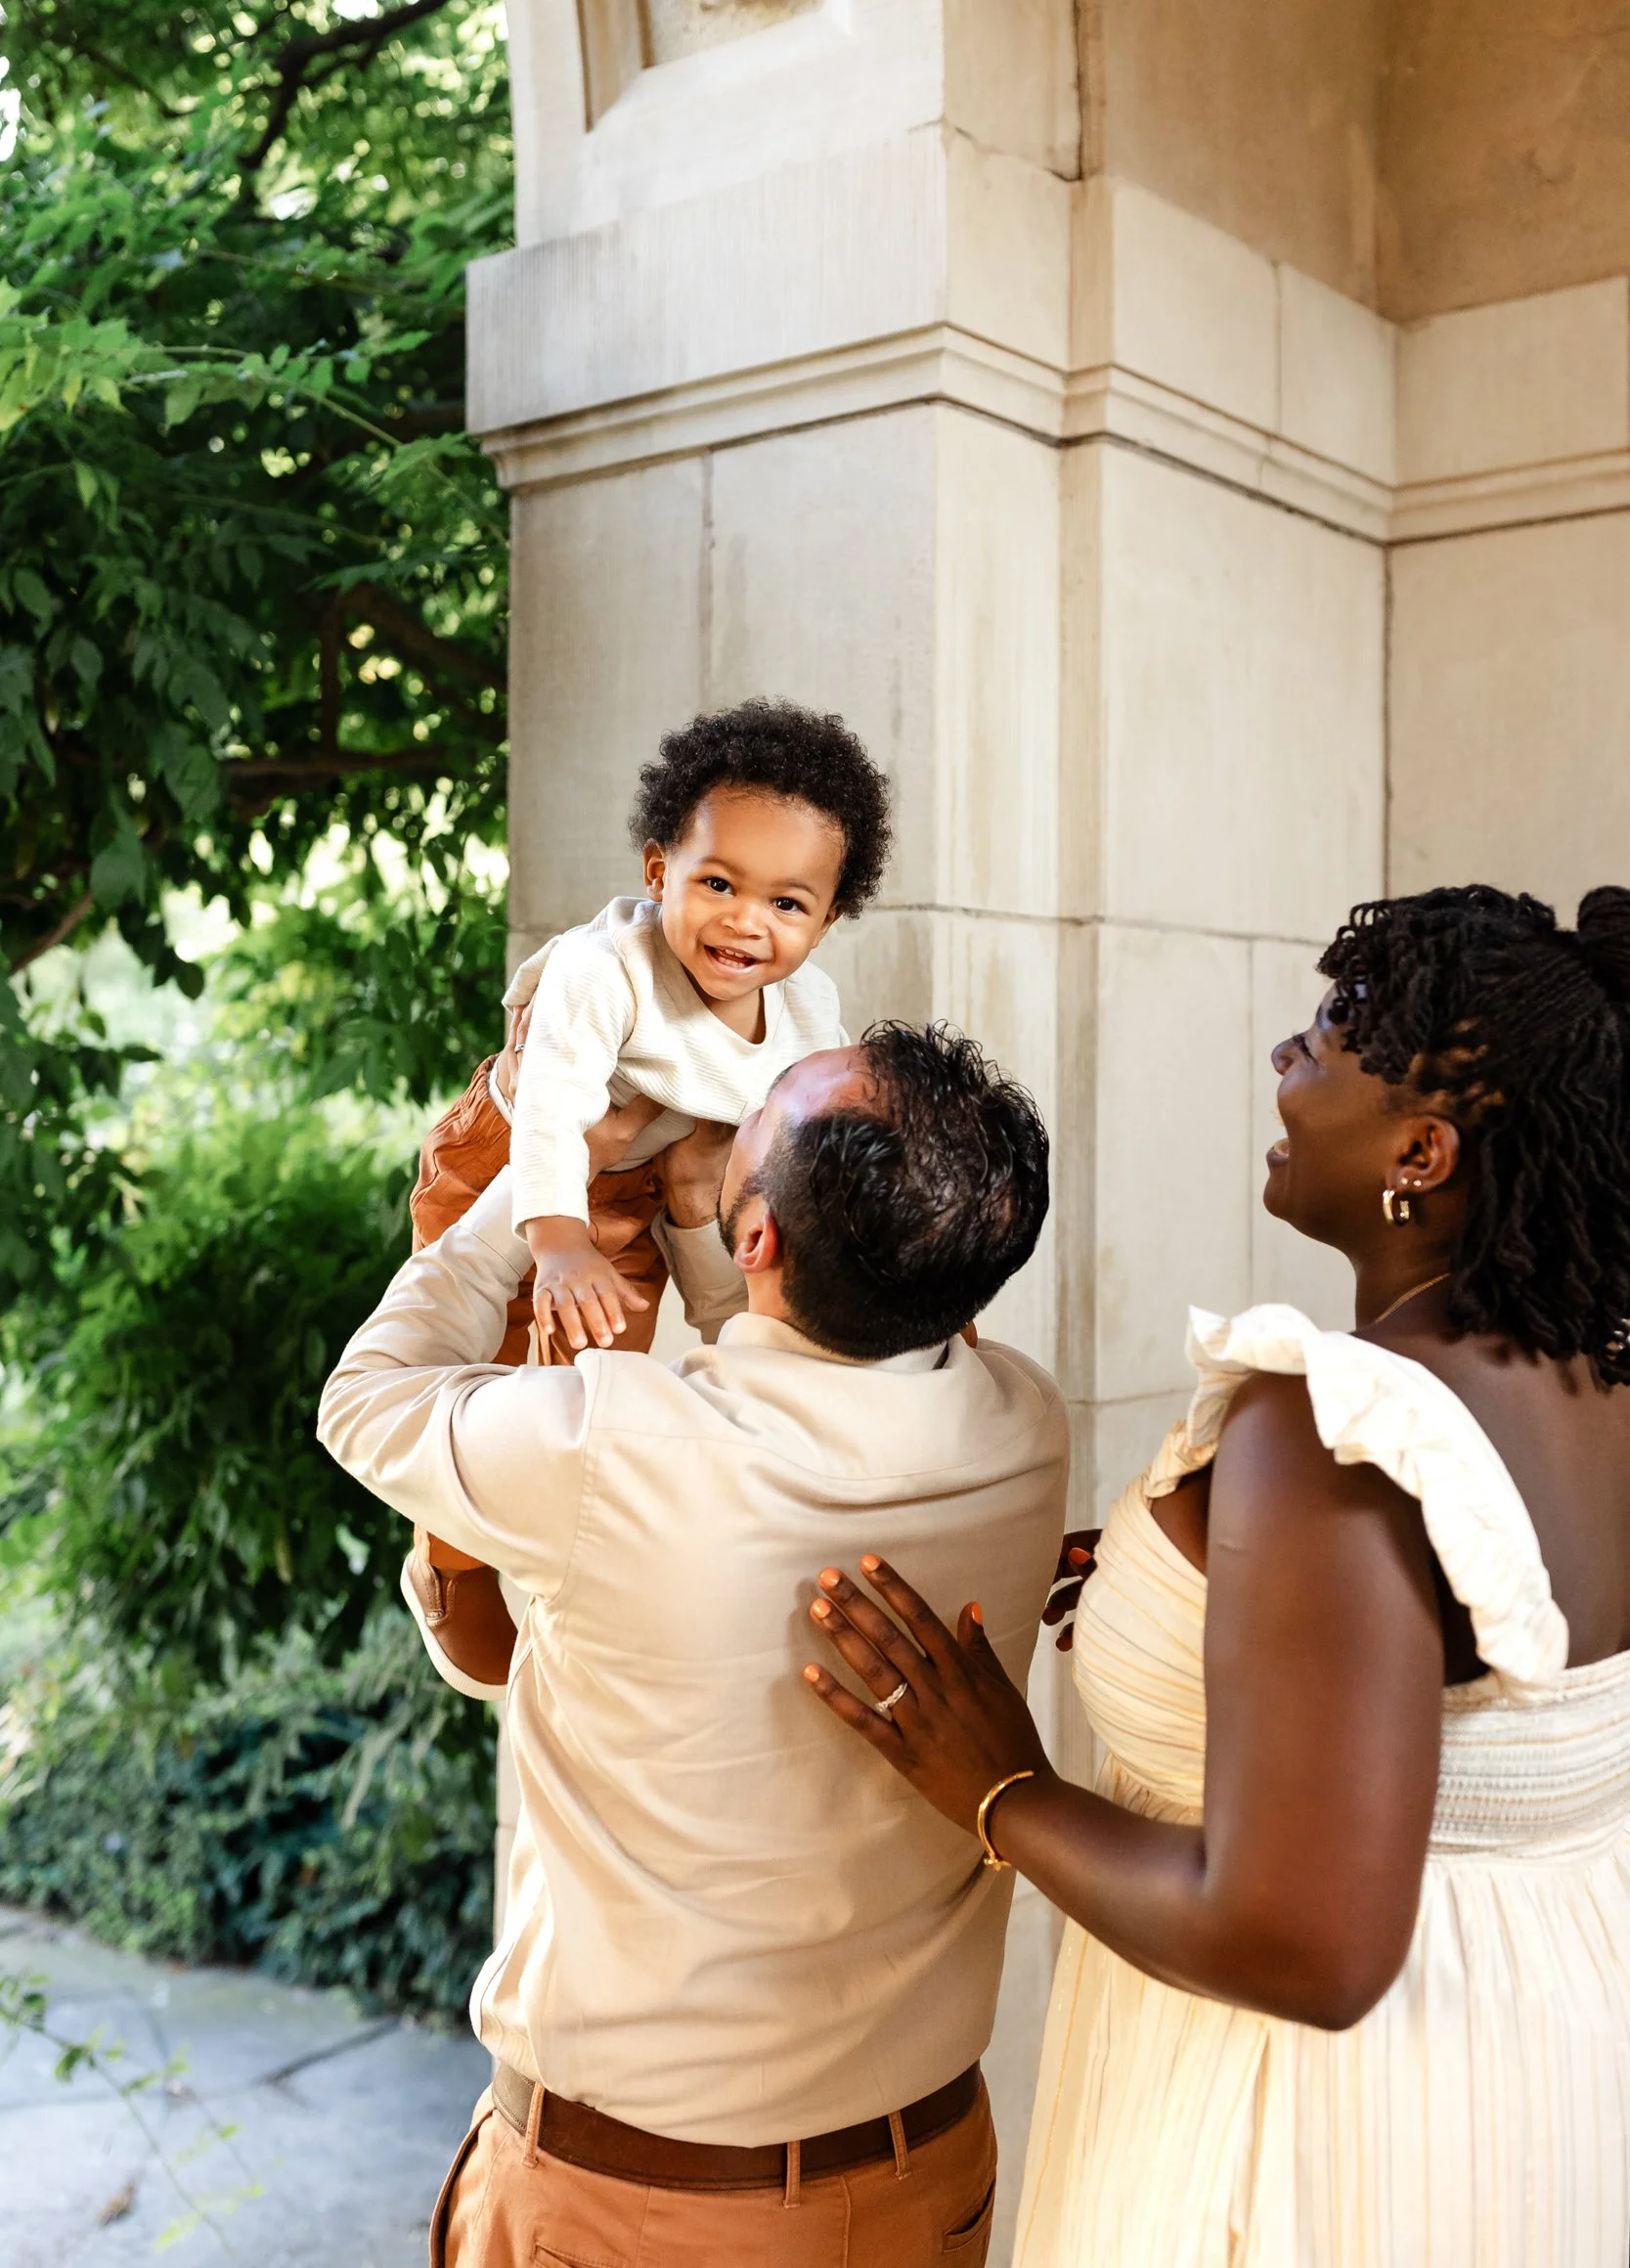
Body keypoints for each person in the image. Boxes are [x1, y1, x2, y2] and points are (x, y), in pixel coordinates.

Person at [804, 884, 1630, 2268]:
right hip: (1530, 2078)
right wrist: (1170, 1586)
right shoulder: (1591, 1378)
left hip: (1321, 2134)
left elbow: (1303, 1942)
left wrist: (998, 1789)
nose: (1285, 1055)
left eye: (1333, 1030)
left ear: (1420, 1152)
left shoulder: (1329, 1427)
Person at [317, 1021, 1069, 2268]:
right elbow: (807, 1382)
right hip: (925, 2176)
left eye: (764, 1105)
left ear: (758, 1235)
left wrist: (536, 1183)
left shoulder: (610, 1447)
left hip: (644, 2216)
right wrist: (698, 1225)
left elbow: (364, 1400)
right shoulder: (1024, 1423)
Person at [405, 695, 891, 1679]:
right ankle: (448, 1565)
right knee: (479, 1357)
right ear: (659, 871)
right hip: (515, 1159)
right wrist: (555, 1239)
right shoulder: (604, 969)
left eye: (787, 904)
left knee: (591, 1383)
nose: (744, 922)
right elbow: (552, 1111)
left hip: (638, 1196)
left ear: (830, 917)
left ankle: (551, 1560)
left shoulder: (808, 1010)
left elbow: (822, 1136)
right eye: (717, 883)